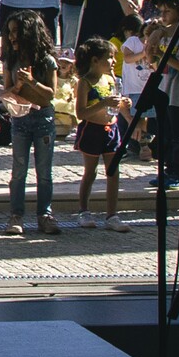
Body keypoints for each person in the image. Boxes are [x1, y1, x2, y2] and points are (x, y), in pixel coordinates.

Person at [0, 12, 59, 235]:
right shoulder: (11, 60)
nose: (12, 37)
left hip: (43, 119)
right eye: (10, 32)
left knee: (44, 172)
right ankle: (16, 215)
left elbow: (49, 95)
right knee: (18, 170)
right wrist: (16, 88)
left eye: (17, 32)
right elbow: (7, 91)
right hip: (20, 119)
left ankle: (45, 214)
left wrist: (32, 82)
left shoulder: (47, 60)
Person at [72, 40, 129, 231]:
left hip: (111, 129)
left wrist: (123, 105)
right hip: (92, 130)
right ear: (95, 60)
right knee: (91, 172)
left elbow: (116, 105)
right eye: (109, 58)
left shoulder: (111, 79)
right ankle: (83, 210)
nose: (113, 61)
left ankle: (112, 214)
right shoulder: (85, 82)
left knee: (113, 171)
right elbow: (81, 113)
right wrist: (103, 103)